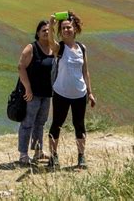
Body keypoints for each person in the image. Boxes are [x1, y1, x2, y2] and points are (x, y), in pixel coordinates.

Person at [47, 11, 96, 169]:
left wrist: (90, 93)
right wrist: (51, 24)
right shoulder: (59, 48)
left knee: (79, 125)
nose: (67, 30)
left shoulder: (82, 48)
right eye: (63, 28)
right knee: (57, 124)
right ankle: (53, 157)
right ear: (60, 32)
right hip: (61, 93)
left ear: (75, 29)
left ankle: (81, 157)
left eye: (69, 27)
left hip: (79, 94)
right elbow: (50, 42)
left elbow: (85, 71)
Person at [17, 20, 54, 165]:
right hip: (32, 94)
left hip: (46, 94)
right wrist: (27, 88)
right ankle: (23, 154)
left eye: (49, 30)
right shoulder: (31, 48)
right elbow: (21, 67)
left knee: (40, 123)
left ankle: (38, 151)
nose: (46, 32)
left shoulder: (52, 48)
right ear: (38, 33)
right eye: (43, 30)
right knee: (27, 123)